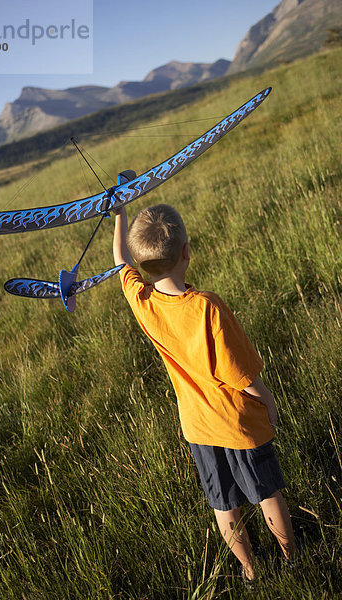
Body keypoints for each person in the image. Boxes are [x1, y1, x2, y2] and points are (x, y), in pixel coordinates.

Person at [112, 203, 297, 583]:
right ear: (186, 251)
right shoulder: (207, 307)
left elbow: (119, 262)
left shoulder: (142, 302)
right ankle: (292, 559)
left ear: (143, 263)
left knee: (223, 504)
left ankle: (249, 570)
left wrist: (120, 213)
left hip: (197, 427)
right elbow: (239, 372)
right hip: (238, 424)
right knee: (267, 492)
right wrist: (268, 399)